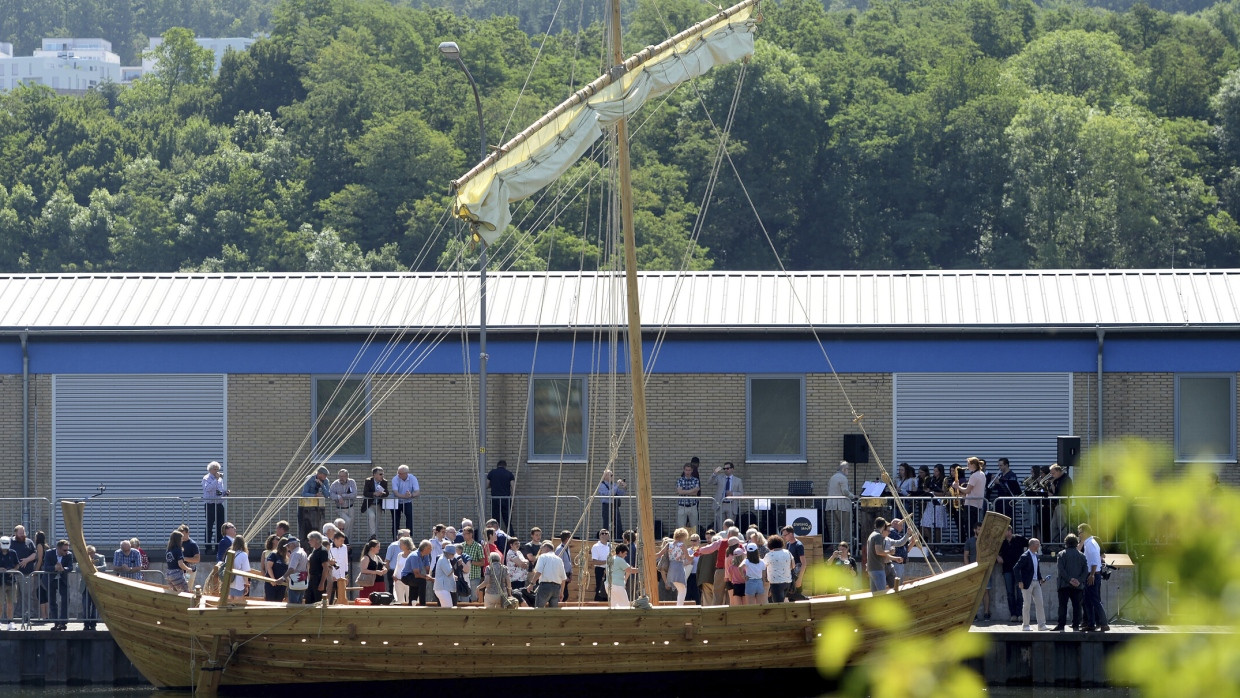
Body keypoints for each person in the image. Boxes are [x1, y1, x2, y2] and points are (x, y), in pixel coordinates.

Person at [1078, 523, 1109, 632]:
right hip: (1094, 574)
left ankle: (1104, 624)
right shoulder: (1090, 542)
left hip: (1092, 575)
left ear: (1085, 532)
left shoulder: (1090, 543)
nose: (1079, 535)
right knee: (1088, 600)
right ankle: (1091, 624)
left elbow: (1095, 560)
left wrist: (1091, 574)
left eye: (1080, 532)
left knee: (1095, 600)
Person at [1054, 533, 1087, 632]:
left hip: (1064, 585)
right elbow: (1085, 571)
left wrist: (1069, 580)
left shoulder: (1061, 554)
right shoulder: (1082, 556)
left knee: (1062, 605)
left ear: (1066, 543)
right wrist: (1078, 581)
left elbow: (1061, 570)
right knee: (1077, 606)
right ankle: (1076, 625)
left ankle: (1061, 625)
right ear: (1077, 543)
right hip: (1078, 586)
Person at [1014, 538, 1049, 631]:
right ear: (1032, 545)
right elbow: (1016, 568)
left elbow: (1036, 569)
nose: (1039, 546)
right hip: (1027, 583)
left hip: (1036, 582)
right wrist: (1020, 581)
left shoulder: (1036, 556)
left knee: (1040, 603)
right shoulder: (1025, 556)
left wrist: (1041, 579)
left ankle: (1041, 625)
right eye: (1038, 544)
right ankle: (1025, 625)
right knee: (1027, 604)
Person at [952, 456, 988, 542]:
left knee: (970, 527)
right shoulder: (982, 474)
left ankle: (971, 544)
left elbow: (967, 490)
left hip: (971, 504)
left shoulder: (974, 476)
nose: (967, 466)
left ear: (973, 465)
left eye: (968, 464)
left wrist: (957, 486)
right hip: (978, 504)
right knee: (974, 526)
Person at [997, 526, 1029, 623]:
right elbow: (993, 550)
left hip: (1019, 570)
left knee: (1020, 593)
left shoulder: (1019, 538)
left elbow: (1031, 543)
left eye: (1004, 531)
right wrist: (998, 556)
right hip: (1007, 569)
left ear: (1010, 531)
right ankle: (1013, 614)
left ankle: (1020, 614)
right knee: (1010, 593)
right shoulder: (1002, 542)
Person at [963, 521, 990, 619]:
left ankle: (986, 613)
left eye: (982, 529)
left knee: (986, 591)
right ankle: (973, 614)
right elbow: (966, 556)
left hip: (985, 568)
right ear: (975, 530)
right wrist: (968, 568)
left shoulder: (986, 541)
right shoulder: (969, 541)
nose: (980, 530)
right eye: (979, 529)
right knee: (973, 592)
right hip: (973, 569)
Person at [827, 461, 858, 546]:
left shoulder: (833, 477)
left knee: (837, 528)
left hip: (833, 506)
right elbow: (845, 492)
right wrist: (853, 496)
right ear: (844, 469)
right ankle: (845, 548)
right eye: (848, 469)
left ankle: (835, 547)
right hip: (842, 506)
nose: (848, 471)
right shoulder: (843, 478)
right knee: (846, 528)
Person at [866, 518, 900, 593]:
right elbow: (878, 551)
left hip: (871, 569)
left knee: (875, 595)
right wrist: (890, 551)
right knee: (882, 594)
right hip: (878, 568)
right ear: (884, 525)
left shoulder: (871, 535)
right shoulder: (878, 536)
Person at [530, 541, 567, 608]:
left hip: (545, 586)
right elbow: (563, 578)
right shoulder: (559, 559)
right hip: (556, 588)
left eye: (542, 549)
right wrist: (562, 592)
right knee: (553, 612)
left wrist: (531, 584)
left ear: (546, 548)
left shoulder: (543, 557)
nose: (541, 551)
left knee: (539, 609)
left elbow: (539, 572)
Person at [388, 465, 420, 538]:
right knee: (395, 521)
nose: (399, 475)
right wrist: (405, 496)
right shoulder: (395, 479)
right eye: (398, 473)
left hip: (407, 502)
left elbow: (417, 492)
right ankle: (395, 539)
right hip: (395, 502)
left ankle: (409, 538)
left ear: (406, 473)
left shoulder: (412, 478)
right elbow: (396, 493)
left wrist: (411, 495)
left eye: (401, 473)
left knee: (409, 519)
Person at [202, 461, 228, 548]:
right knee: (209, 526)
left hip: (219, 505)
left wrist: (225, 493)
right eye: (215, 469)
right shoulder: (206, 478)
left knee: (220, 526)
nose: (217, 471)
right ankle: (208, 547)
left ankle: (218, 546)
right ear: (210, 470)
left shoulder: (220, 480)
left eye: (218, 469)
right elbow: (208, 488)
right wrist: (215, 480)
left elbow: (219, 491)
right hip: (210, 505)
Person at [920, 464, 948, 548]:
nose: (934, 473)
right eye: (934, 471)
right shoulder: (932, 479)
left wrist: (933, 493)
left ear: (940, 471)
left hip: (939, 504)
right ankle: (931, 543)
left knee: (937, 526)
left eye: (936, 471)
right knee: (924, 523)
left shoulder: (944, 479)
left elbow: (943, 493)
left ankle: (937, 546)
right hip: (930, 504)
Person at [709, 462, 742, 531]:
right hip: (720, 504)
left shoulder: (738, 480)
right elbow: (710, 482)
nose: (726, 470)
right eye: (724, 468)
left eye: (727, 468)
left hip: (731, 505)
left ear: (732, 469)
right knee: (720, 527)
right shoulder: (720, 478)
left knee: (731, 527)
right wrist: (714, 473)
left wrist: (732, 493)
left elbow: (741, 493)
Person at [400, 540, 433, 606]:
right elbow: (417, 574)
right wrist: (428, 578)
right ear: (424, 548)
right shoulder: (414, 556)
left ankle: (412, 603)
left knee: (415, 587)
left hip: (413, 576)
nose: (431, 550)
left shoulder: (425, 555)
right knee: (422, 581)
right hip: (406, 576)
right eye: (430, 548)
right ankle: (422, 603)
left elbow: (427, 566)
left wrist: (428, 574)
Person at [361, 467, 389, 543]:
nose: (382, 476)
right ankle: (372, 535)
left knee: (377, 521)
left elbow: (387, 493)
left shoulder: (384, 482)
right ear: (374, 475)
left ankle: (374, 538)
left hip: (379, 505)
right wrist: (374, 493)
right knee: (371, 516)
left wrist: (382, 494)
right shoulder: (368, 481)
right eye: (380, 474)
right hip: (370, 504)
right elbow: (365, 493)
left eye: (383, 474)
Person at [81, 545, 106, 630]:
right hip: (85, 586)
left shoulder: (101, 557)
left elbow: (104, 567)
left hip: (96, 586)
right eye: (89, 553)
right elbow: (77, 568)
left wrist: (92, 568)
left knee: (95, 606)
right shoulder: (83, 557)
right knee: (85, 606)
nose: (91, 554)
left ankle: (94, 624)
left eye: (92, 553)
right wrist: (86, 566)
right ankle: (86, 624)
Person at [665, 528, 692, 606]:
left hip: (671, 568)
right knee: (683, 590)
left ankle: (679, 606)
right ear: (684, 536)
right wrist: (695, 554)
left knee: (680, 589)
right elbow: (689, 558)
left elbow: (659, 554)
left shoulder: (669, 544)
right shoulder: (682, 545)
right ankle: (679, 607)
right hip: (679, 567)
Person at [486, 460, 516, 530]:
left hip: (495, 499)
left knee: (495, 521)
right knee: (508, 521)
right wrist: (513, 502)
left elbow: (487, 485)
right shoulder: (509, 474)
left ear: (497, 465)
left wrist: (493, 485)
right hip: (506, 500)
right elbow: (513, 488)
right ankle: (511, 537)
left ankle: (496, 535)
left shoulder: (492, 473)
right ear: (505, 466)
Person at [605, 543, 637, 609]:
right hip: (617, 586)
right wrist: (642, 570)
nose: (626, 555)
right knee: (625, 605)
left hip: (608, 584)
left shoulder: (611, 559)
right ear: (620, 552)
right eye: (625, 553)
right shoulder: (620, 560)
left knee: (614, 605)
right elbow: (630, 570)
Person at [1048, 464, 1073, 546]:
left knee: (1062, 525)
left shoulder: (1066, 480)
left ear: (1059, 471)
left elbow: (1062, 493)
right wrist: (1051, 486)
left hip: (1063, 505)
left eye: (1053, 473)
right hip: (1057, 505)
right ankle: (1054, 544)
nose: (1052, 475)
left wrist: (1053, 494)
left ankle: (1064, 543)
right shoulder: (1056, 480)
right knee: (1053, 526)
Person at [765, 535, 794, 603]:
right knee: (782, 601)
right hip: (787, 581)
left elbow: (763, 567)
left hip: (775, 583)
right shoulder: (788, 552)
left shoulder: (769, 555)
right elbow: (793, 565)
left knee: (777, 604)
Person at [329, 469, 358, 536]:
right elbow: (331, 494)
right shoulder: (335, 483)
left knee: (350, 527)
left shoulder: (352, 482)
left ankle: (348, 543)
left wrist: (343, 495)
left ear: (347, 476)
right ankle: (344, 538)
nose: (341, 478)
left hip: (350, 507)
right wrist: (338, 497)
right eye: (340, 476)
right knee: (347, 521)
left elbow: (354, 494)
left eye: (343, 476)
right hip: (340, 508)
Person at [458, 527, 484, 601]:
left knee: (474, 598)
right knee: (463, 598)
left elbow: (482, 562)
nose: (463, 536)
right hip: (463, 577)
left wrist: (470, 562)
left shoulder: (478, 547)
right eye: (463, 534)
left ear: (471, 534)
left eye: (465, 534)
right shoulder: (461, 546)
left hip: (474, 577)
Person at [676, 461, 702, 534]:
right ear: (684, 470)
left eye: (689, 470)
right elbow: (679, 491)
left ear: (692, 471)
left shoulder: (695, 480)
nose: (688, 472)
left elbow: (696, 492)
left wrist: (684, 491)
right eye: (686, 470)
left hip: (692, 506)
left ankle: (694, 544)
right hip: (682, 506)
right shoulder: (680, 480)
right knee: (681, 528)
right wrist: (691, 491)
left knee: (694, 527)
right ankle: (681, 544)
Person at [305, 531, 330, 605]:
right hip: (312, 579)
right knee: (309, 600)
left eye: (310, 540)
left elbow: (325, 568)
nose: (309, 542)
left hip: (318, 579)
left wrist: (322, 583)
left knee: (318, 602)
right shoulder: (314, 551)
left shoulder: (323, 551)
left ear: (316, 540)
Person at [165, 530, 190, 594]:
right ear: (178, 540)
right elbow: (180, 564)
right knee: (185, 592)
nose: (182, 541)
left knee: (174, 593)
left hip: (168, 574)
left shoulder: (168, 550)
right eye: (181, 539)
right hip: (176, 574)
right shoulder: (178, 549)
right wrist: (188, 569)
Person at [264, 538, 288, 602]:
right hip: (272, 583)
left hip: (281, 584)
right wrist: (273, 579)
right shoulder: (274, 554)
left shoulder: (285, 557)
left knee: (279, 601)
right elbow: (269, 567)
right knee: (271, 601)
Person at [328, 531, 349, 604]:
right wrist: (331, 576)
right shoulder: (329, 548)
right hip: (333, 576)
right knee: (330, 596)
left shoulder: (344, 547)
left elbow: (346, 561)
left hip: (342, 577)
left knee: (342, 597)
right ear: (335, 539)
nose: (342, 542)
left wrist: (346, 575)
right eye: (341, 540)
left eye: (343, 540)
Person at [285, 537, 308, 604]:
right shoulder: (303, 552)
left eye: (288, 545)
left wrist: (283, 577)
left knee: (293, 605)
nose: (287, 548)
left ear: (292, 545)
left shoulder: (295, 553)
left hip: (295, 582)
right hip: (303, 580)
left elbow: (292, 568)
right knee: (299, 603)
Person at [0, 537, 17, 629]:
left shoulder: (13, 553)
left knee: (10, 602)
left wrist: (13, 570)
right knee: (0, 603)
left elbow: (17, 564)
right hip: (0, 582)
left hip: (11, 581)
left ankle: (10, 621)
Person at [391, 537, 413, 605]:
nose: (399, 545)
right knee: (400, 601)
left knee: (411, 600)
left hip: (409, 581)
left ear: (406, 545)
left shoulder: (412, 555)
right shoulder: (399, 555)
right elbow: (397, 566)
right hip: (398, 580)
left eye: (401, 544)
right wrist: (394, 575)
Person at [591, 530, 611, 602]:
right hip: (600, 569)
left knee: (609, 588)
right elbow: (594, 561)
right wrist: (607, 562)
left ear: (608, 536)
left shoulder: (610, 546)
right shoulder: (596, 546)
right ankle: (598, 603)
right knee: (600, 587)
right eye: (602, 533)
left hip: (609, 570)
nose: (604, 535)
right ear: (599, 536)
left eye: (606, 533)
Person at [554, 530, 574, 603]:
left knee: (565, 595)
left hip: (567, 574)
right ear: (567, 539)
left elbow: (569, 561)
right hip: (562, 575)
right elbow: (559, 565)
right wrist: (564, 577)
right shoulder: (559, 549)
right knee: (562, 595)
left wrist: (571, 573)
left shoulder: (567, 548)